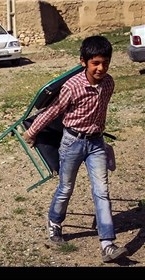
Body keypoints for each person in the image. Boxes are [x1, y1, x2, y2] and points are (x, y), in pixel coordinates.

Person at [23, 35, 128, 263]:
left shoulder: (109, 83)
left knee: (102, 191)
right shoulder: (72, 87)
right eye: (95, 63)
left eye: (105, 63)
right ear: (84, 62)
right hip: (72, 142)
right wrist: (32, 132)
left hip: (96, 143)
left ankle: (107, 244)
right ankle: (54, 222)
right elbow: (52, 112)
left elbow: (100, 113)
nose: (101, 68)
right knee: (66, 187)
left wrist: (102, 140)